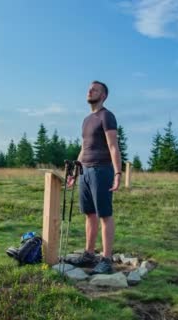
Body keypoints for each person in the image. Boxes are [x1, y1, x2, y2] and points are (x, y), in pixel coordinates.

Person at [66, 81, 121, 274]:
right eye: (89, 89)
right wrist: (74, 172)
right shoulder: (86, 120)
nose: (90, 91)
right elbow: (84, 148)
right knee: (89, 214)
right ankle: (89, 254)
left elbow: (113, 146)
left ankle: (106, 259)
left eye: (95, 89)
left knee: (104, 214)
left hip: (102, 170)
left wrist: (117, 173)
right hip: (85, 171)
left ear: (103, 95)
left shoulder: (107, 116)